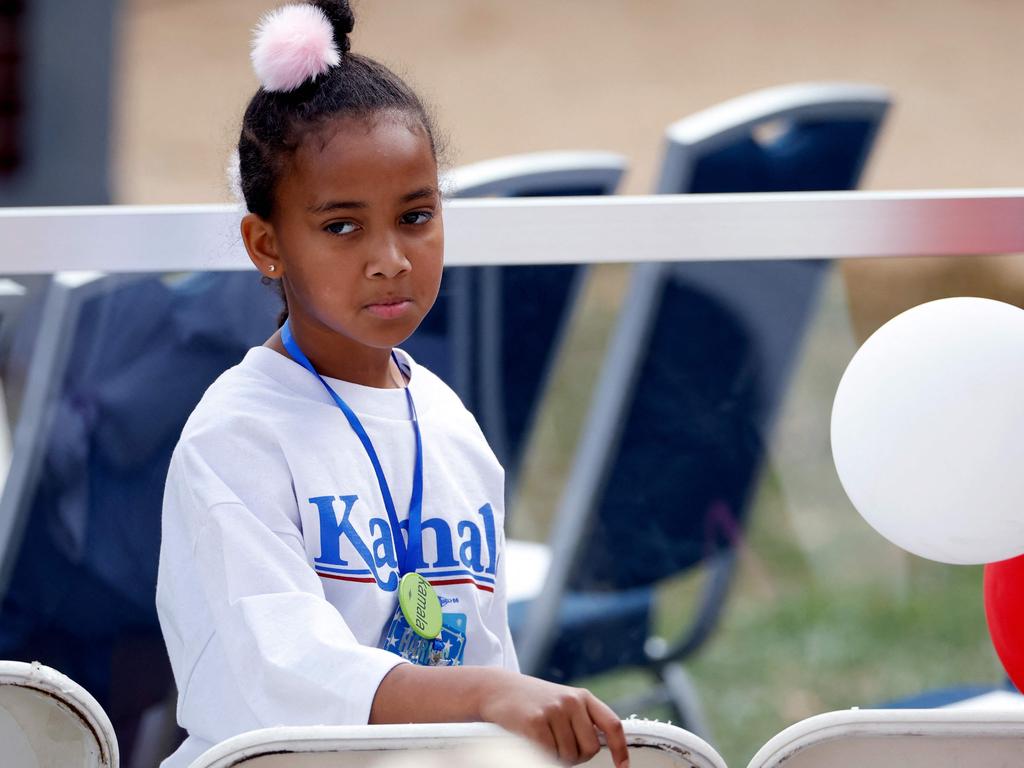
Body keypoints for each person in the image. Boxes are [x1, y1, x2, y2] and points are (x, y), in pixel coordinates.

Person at [155, 3, 630, 767]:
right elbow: (277, 673)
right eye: (342, 226)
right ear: (267, 244)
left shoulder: (447, 424)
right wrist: (482, 696)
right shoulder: (237, 436)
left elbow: (486, 657)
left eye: (415, 216)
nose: (390, 259)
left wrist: (501, 709)